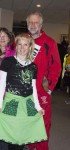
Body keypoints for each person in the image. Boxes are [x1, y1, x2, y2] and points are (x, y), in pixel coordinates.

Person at [0, 33, 47, 149]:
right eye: (20, 44)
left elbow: (33, 88)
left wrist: (38, 107)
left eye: (25, 45)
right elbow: (2, 85)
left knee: (23, 135)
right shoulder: (7, 62)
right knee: (12, 137)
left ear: (30, 47)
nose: (22, 47)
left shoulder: (33, 67)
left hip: (28, 103)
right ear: (16, 46)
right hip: (12, 101)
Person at [26, 12, 61, 150]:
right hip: (25, 92)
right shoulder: (22, 40)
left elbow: (56, 66)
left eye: (36, 23)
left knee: (43, 124)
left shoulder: (50, 42)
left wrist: (49, 88)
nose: (33, 25)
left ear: (41, 25)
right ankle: (30, 145)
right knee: (28, 121)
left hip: (41, 92)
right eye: (30, 22)